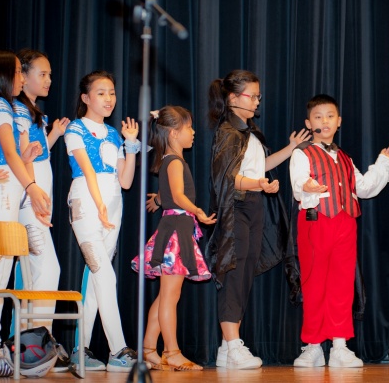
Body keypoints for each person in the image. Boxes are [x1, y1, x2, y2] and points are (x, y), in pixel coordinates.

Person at [207, 69, 310, 369]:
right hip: (236, 209)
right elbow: (227, 179)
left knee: (244, 274)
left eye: (258, 96)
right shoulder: (228, 133)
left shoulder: (248, 133)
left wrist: (290, 149)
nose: (256, 102)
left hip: (253, 207)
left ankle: (227, 348)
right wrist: (259, 184)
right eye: (251, 96)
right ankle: (233, 344)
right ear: (232, 97)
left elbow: (259, 166)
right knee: (234, 273)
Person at [289, 94, 389, 368]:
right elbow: (299, 181)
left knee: (342, 284)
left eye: (330, 116)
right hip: (315, 222)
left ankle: (340, 345)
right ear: (309, 123)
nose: (325, 121)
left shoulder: (346, 158)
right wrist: (307, 186)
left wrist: (382, 165)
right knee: (314, 283)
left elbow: (363, 188)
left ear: (338, 121)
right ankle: (313, 346)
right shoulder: (302, 153)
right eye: (318, 117)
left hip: (345, 224)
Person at [64, 70, 140, 372]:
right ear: (86, 97)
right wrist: (99, 206)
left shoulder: (112, 134)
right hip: (86, 203)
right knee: (105, 275)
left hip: (113, 205)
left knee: (97, 281)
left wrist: (131, 145)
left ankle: (80, 350)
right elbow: (86, 170)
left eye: (111, 92)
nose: (108, 98)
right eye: (101, 93)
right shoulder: (76, 129)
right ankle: (118, 349)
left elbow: (126, 181)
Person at [131, 106, 216, 371]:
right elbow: (178, 195)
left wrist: (159, 199)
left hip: (175, 227)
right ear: (174, 133)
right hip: (177, 229)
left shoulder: (170, 160)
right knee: (170, 295)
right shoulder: (175, 162)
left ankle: (148, 349)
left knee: (166, 295)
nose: (193, 132)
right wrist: (198, 211)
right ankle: (172, 351)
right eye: (188, 127)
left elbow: (169, 192)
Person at [0, 49, 51, 368]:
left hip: (5, 193)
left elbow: (12, 155)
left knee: (0, 271)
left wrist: (26, 158)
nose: (22, 78)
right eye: (18, 72)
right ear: (1, 75)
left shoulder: (3, 105)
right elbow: (7, 153)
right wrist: (32, 186)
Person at [12, 49, 68, 331]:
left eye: (50, 75)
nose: (48, 80)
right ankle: (38, 338)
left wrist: (53, 134)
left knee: (34, 273)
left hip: (37, 197)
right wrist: (32, 193)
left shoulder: (33, 112)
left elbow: (38, 153)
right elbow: (24, 156)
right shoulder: (19, 111)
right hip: (29, 199)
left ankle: (28, 340)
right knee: (47, 268)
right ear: (23, 76)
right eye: (42, 74)